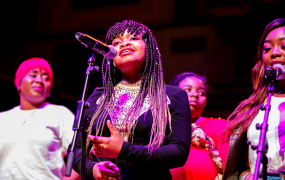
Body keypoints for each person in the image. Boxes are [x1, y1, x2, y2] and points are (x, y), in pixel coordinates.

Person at [71, 20, 192, 180]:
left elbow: (179, 152)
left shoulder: (173, 95)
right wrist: (92, 169)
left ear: (149, 48)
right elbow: (76, 150)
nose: (124, 44)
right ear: (110, 56)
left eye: (134, 38)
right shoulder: (97, 98)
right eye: (117, 42)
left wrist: (124, 149)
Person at [222, 18, 285, 180]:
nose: (275, 53)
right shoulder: (253, 108)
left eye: (284, 46)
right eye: (267, 48)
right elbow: (242, 167)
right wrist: (246, 177)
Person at [0, 57, 80, 180]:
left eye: (46, 78)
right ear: (18, 83)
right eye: (33, 75)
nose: (39, 80)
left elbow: (81, 154)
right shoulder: (3, 118)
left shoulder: (60, 113)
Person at [169, 72, 229, 180]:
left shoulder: (220, 126)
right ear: (172, 95)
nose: (195, 95)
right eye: (187, 90)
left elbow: (229, 170)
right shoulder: (159, 128)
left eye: (201, 93)